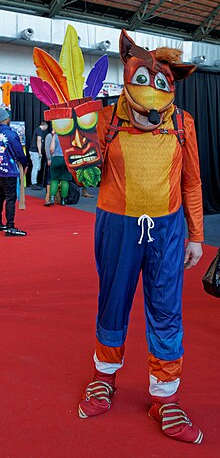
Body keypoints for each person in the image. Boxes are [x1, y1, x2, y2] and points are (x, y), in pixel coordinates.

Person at [77, 31, 204, 445]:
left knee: (166, 308)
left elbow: (192, 184)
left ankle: (165, 397)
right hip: (116, 224)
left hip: (167, 229)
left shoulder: (182, 124)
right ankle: (103, 378)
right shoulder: (108, 118)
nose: (149, 95)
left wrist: (196, 236)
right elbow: (88, 173)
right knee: (112, 301)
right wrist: (75, 150)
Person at [0, 107, 28, 236]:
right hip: (9, 171)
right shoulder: (11, 134)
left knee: (0, 197)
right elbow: (19, 153)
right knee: (10, 198)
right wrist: (25, 164)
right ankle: (10, 226)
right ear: (6, 119)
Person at [45, 131, 72, 206]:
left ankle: (52, 199)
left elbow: (51, 149)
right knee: (65, 180)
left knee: (54, 179)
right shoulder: (70, 135)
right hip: (67, 159)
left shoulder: (56, 135)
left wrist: (54, 136)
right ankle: (63, 200)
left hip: (56, 159)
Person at [29, 121, 48, 189]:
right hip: (35, 151)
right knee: (36, 167)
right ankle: (34, 183)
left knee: (37, 167)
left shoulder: (38, 130)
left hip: (34, 151)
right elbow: (38, 141)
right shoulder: (39, 131)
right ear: (45, 126)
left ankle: (34, 182)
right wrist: (40, 152)